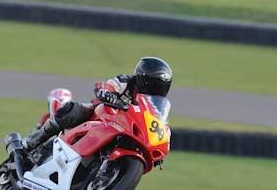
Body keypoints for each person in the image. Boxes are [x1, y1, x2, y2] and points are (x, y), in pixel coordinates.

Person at [22, 57, 172, 152]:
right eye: (154, 84)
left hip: (126, 127)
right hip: (103, 113)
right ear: (144, 79)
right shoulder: (126, 81)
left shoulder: (154, 104)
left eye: (160, 86)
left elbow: (157, 122)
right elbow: (108, 87)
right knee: (73, 111)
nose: (156, 89)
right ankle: (32, 141)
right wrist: (107, 94)